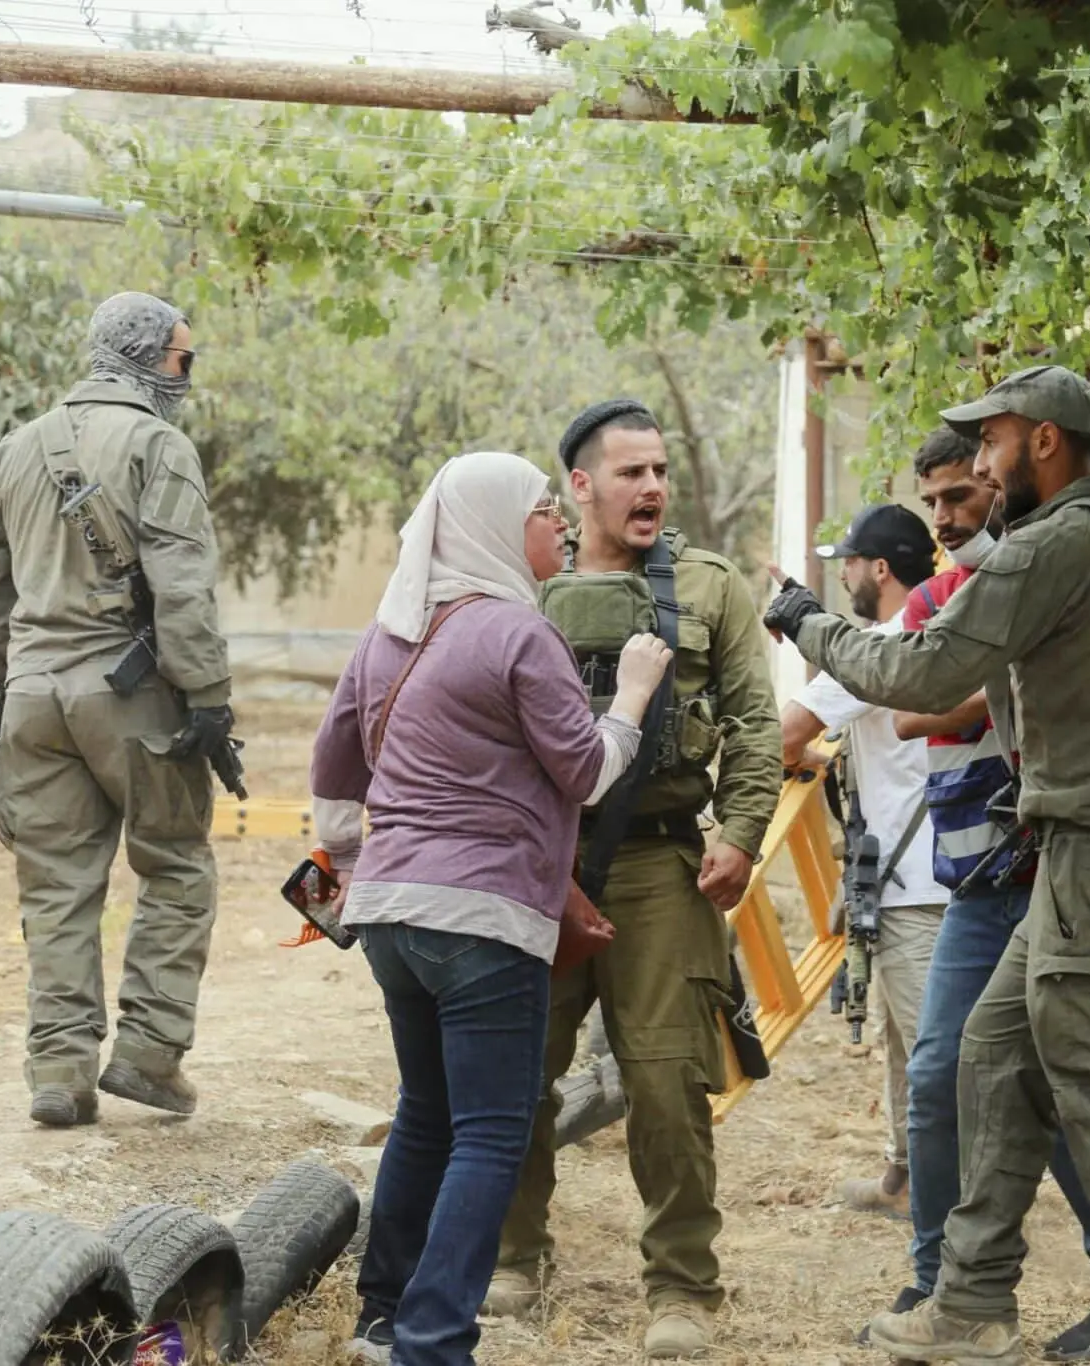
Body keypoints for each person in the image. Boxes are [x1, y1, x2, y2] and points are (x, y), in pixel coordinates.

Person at [765, 365, 1090, 1365]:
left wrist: (802, 619)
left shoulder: (1047, 545)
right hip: (1075, 845)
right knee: (987, 1055)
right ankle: (967, 1299)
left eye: (989, 445)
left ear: (1040, 442)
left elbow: (917, 675)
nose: (976, 464)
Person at [311, 451, 671, 1366]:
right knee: (491, 1129)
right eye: (541, 509)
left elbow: (332, 772)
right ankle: (433, 1342)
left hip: (391, 917)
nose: (555, 520)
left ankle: (383, 1320)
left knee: (427, 1113)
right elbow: (586, 774)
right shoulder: (518, 633)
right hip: (484, 916)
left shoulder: (389, 632)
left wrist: (357, 869)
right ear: (492, 525)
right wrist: (630, 693)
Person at [489, 399, 782, 1360]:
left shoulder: (708, 585)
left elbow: (749, 718)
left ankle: (684, 1286)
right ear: (579, 486)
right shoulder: (522, 583)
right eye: (630, 473)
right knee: (515, 1072)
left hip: (662, 863)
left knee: (665, 1080)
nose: (652, 487)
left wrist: (739, 833)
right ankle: (515, 1258)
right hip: (540, 863)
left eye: (660, 471)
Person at [0, 291, 238, 1126]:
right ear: (152, 357)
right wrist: (211, 700)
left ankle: (59, 1069)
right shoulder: (160, 444)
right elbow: (184, 586)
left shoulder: (15, 448)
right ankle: (150, 1056)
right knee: (178, 866)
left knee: (54, 889)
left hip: (33, 699)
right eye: (184, 361)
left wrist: (6, 691)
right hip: (131, 696)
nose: (187, 377)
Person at [880, 427, 1090, 1361]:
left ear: (997, 487)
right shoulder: (941, 596)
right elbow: (910, 705)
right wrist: (991, 674)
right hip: (978, 884)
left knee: (1061, 1097)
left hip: (1060, 872)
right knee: (938, 1076)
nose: (945, 515)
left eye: (960, 495)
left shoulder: (1051, 572)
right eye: (932, 500)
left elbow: (992, 684)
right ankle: (940, 1284)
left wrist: (979, 672)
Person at [778, 503, 944, 1219]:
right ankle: (905, 1179)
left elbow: (782, 736)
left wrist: (804, 754)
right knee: (907, 1040)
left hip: (916, 887)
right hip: (940, 875)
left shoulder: (872, 648)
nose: (842, 572)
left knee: (933, 1050)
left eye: (848, 559)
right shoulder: (946, 638)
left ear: (879, 568)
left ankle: (948, 1199)